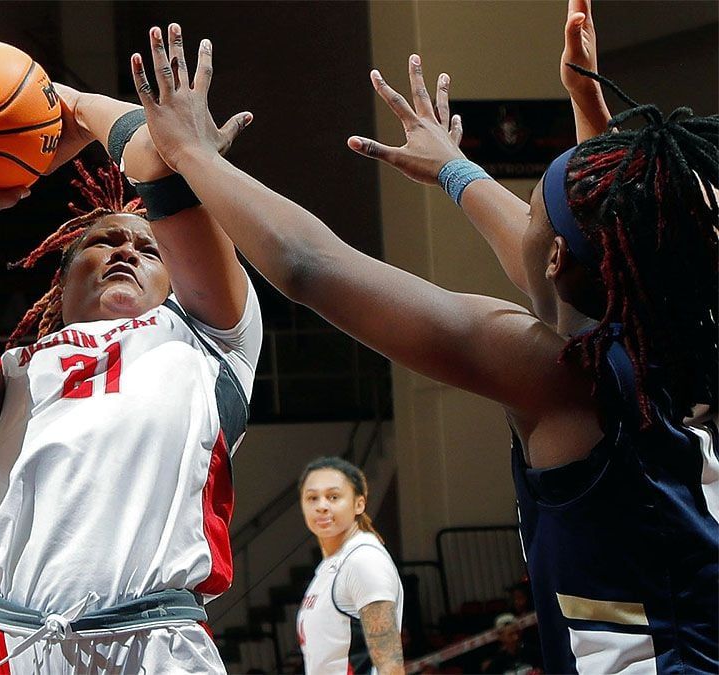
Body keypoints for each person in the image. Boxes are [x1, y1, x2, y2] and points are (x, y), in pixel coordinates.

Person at [129, 15, 717, 675]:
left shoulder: (559, 375)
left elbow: (306, 264)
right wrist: (470, 163)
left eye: (533, 206)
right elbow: (590, 253)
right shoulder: (671, 339)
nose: (519, 210)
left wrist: (190, 155)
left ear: (556, 257)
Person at [0, 64, 262, 672]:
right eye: (103, 243)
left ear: (179, 281)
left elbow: (163, 177)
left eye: (149, 249)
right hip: (8, 643)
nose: (126, 248)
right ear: (61, 284)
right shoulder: (13, 374)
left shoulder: (209, 340)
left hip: (156, 643)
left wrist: (67, 104)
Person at [295, 458, 403, 675]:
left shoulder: (363, 560)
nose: (322, 506)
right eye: (312, 498)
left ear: (359, 504)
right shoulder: (332, 565)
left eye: (333, 497)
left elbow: (390, 666)